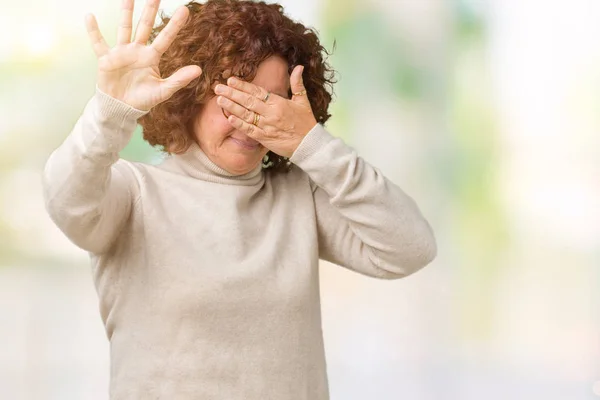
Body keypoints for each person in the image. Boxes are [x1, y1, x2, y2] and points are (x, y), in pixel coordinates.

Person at [42, 0, 437, 398]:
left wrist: (312, 144)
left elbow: (410, 248)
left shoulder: (301, 196)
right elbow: (66, 202)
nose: (252, 120)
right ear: (190, 96)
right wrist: (110, 113)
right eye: (234, 98)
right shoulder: (134, 194)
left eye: (271, 103)